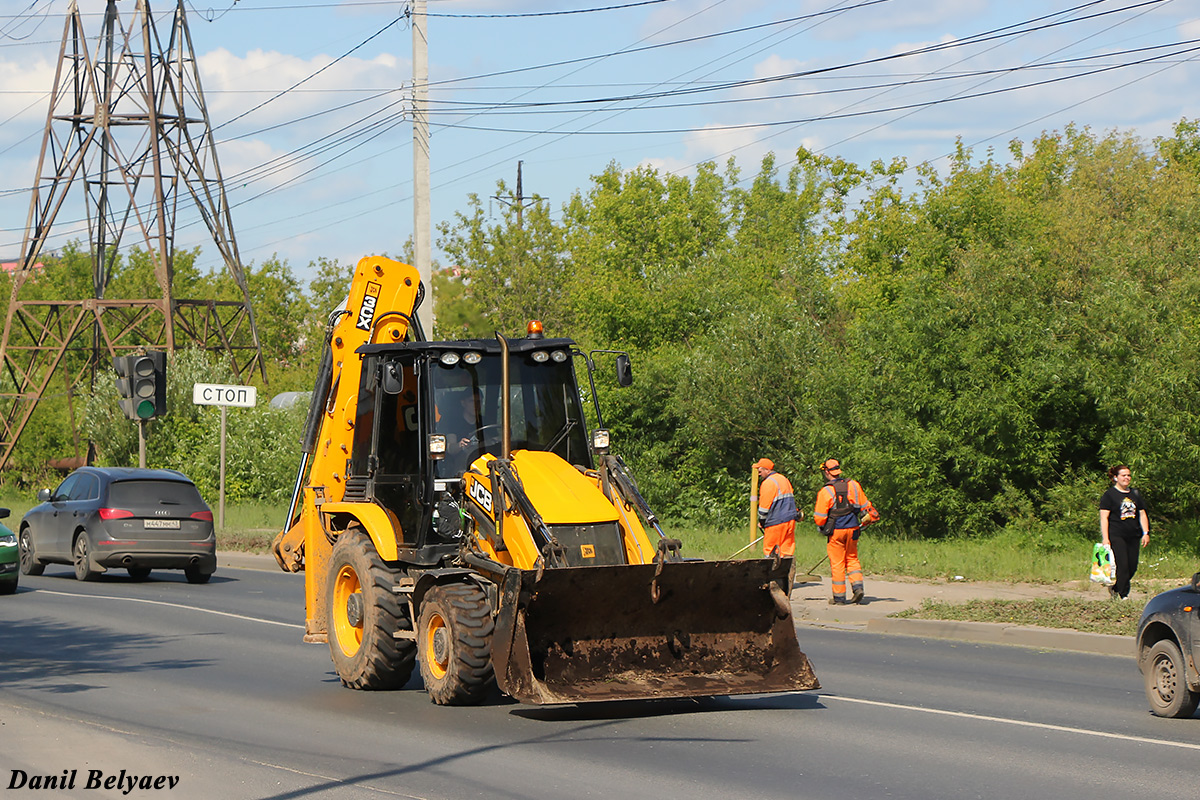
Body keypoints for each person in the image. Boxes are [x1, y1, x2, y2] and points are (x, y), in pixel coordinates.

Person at [813, 458, 879, 605]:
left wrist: (822, 526)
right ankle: (858, 588)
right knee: (852, 559)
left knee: (837, 563)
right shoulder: (853, 485)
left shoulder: (826, 491)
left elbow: (819, 518)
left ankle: (839, 598)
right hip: (854, 529)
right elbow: (865, 506)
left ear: (826, 471)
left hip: (836, 532)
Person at [1099, 465, 1149, 600]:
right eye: (1123, 475)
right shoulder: (1109, 495)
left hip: (1133, 535)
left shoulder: (1135, 494)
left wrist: (1146, 532)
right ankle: (1123, 594)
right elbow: (1104, 518)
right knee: (1123, 565)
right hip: (1116, 534)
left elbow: (1142, 514)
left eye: (1129, 475)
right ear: (1116, 478)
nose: (1127, 478)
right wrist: (1106, 538)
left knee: (1132, 566)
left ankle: (1115, 589)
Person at [755, 458, 799, 561]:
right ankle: (786, 574)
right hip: (790, 521)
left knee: (770, 552)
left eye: (760, 471)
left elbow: (764, 507)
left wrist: (762, 521)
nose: (759, 474)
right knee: (786, 552)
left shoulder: (768, 483)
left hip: (776, 522)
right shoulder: (783, 479)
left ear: (767, 470)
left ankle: (771, 574)